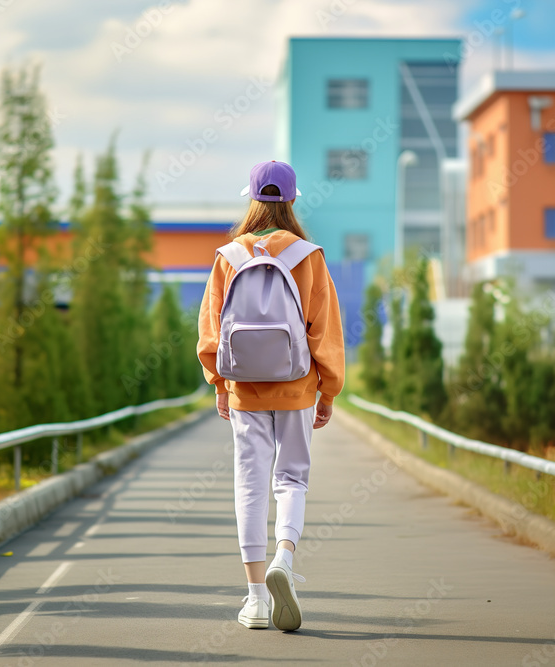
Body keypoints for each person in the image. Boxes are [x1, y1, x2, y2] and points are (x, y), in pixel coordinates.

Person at [196, 160, 345, 632]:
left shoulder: (228, 255)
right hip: (298, 383)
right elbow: (326, 329)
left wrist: (219, 381)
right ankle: (285, 555)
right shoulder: (309, 256)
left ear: (253, 200)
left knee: (250, 484)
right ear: (293, 201)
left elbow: (210, 328)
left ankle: (256, 599)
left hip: (244, 386)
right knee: (292, 478)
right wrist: (329, 390)